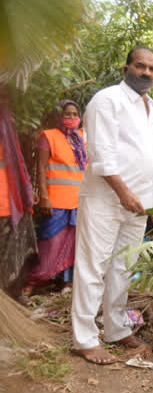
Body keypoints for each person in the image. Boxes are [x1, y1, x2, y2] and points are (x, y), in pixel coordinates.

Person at [71, 46, 153, 364]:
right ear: (126, 68)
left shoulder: (151, 108)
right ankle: (84, 338)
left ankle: (116, 328)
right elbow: (101, 153)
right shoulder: (107, 100)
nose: (147, 73)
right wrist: (123, 192)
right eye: (141, 67)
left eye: (152, 68)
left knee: (124, 268)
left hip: (139, 205)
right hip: (106, 199)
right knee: (93, 267)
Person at [25, 100, 86, 292]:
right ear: (59, 116)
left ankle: (65, 282)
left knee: (75, 244)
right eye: (67, 114)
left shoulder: (82, 138)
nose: (71, 117)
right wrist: (44, 196)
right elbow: (41, 169)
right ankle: (35, 280)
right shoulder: (48, 136)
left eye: (75, 114)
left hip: (79, 201)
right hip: (56, 201)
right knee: (51, 242)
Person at [0, 89, 37, 303]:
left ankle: (10, 297)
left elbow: (19, 167)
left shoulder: (9, 128)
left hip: (10, 205)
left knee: (12, 254)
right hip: (8, 204)